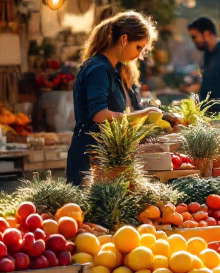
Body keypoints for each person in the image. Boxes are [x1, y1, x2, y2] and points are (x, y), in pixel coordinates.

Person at [66, 11, 162, 185]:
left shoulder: (114, 70)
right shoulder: (98, 69)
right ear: (124, 39)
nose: (139, 55)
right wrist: (140, 116)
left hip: (103, 157)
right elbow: (99, 115)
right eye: (138, 47)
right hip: (88, 159)